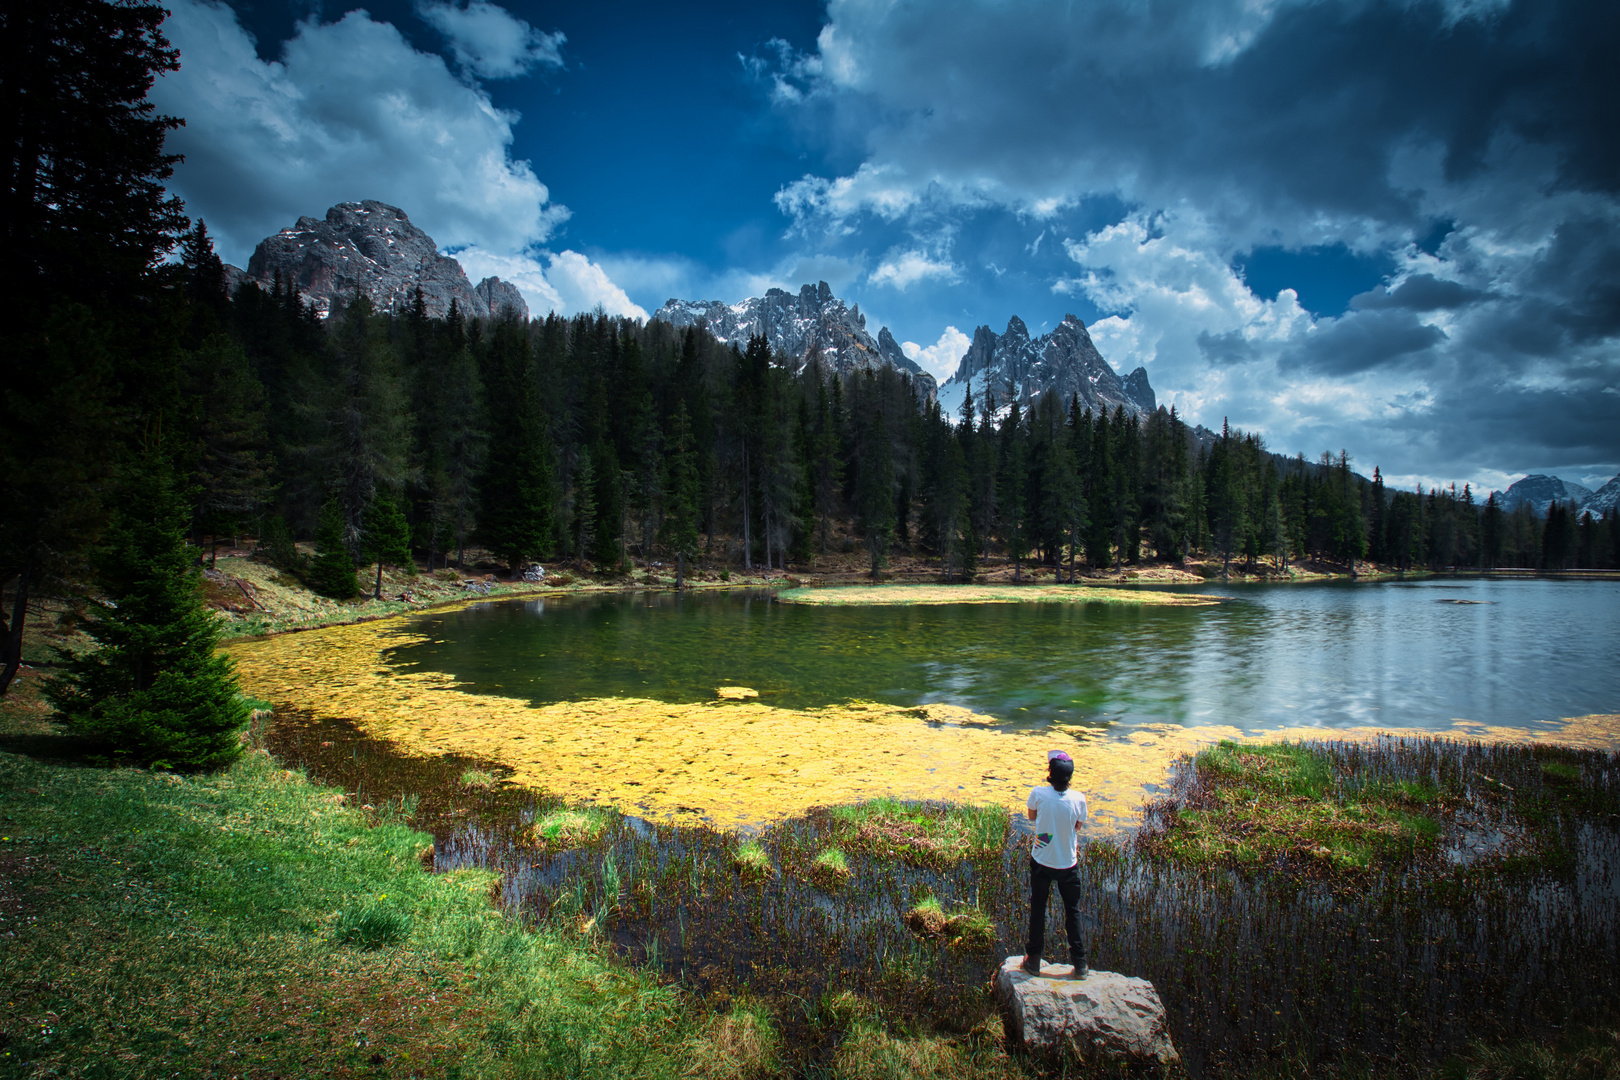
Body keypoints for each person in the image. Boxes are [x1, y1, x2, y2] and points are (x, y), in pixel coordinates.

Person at [1022, 748, 1089, 978]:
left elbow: (1031, 817)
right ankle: (1080, 964)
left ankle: (1033, 961)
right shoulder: (1079, 799)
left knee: (1038, 908)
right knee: (1072, 911)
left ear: (1050, 772)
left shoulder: (1038, 793)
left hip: (1041, 859)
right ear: (1069, 777)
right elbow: (1078, 826)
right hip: (1068, 862)